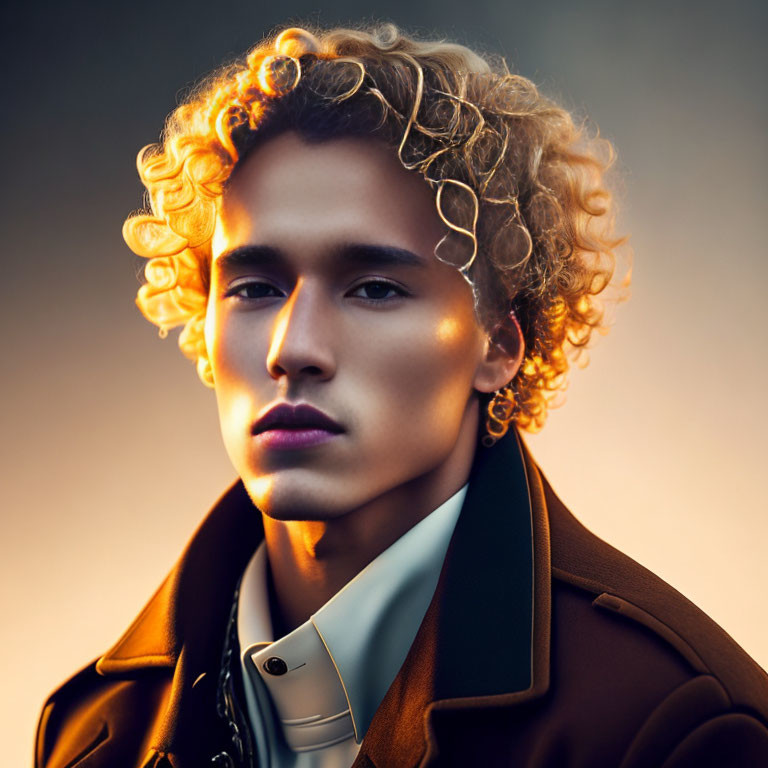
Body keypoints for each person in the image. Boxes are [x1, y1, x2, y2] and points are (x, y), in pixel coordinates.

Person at [34, 22, 768, 768]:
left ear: (500, 345)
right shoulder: (93, 732)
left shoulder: (673, 726)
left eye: (375, 288)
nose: (293, 349)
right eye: (255, 287)